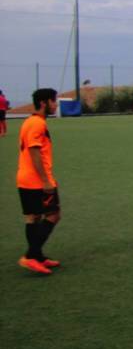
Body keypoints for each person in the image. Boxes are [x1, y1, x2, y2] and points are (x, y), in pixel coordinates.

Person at [16, 88, 61, 274]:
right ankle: (31, 256)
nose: (55, 105)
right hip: (36, 181)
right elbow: (34, 153)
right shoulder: (37, 124)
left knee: (33, 217)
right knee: (53, 215)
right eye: (53, 101)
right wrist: (45, 181)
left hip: (25, 178)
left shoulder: (30, 121)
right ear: (44, 103)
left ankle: (38, 256)